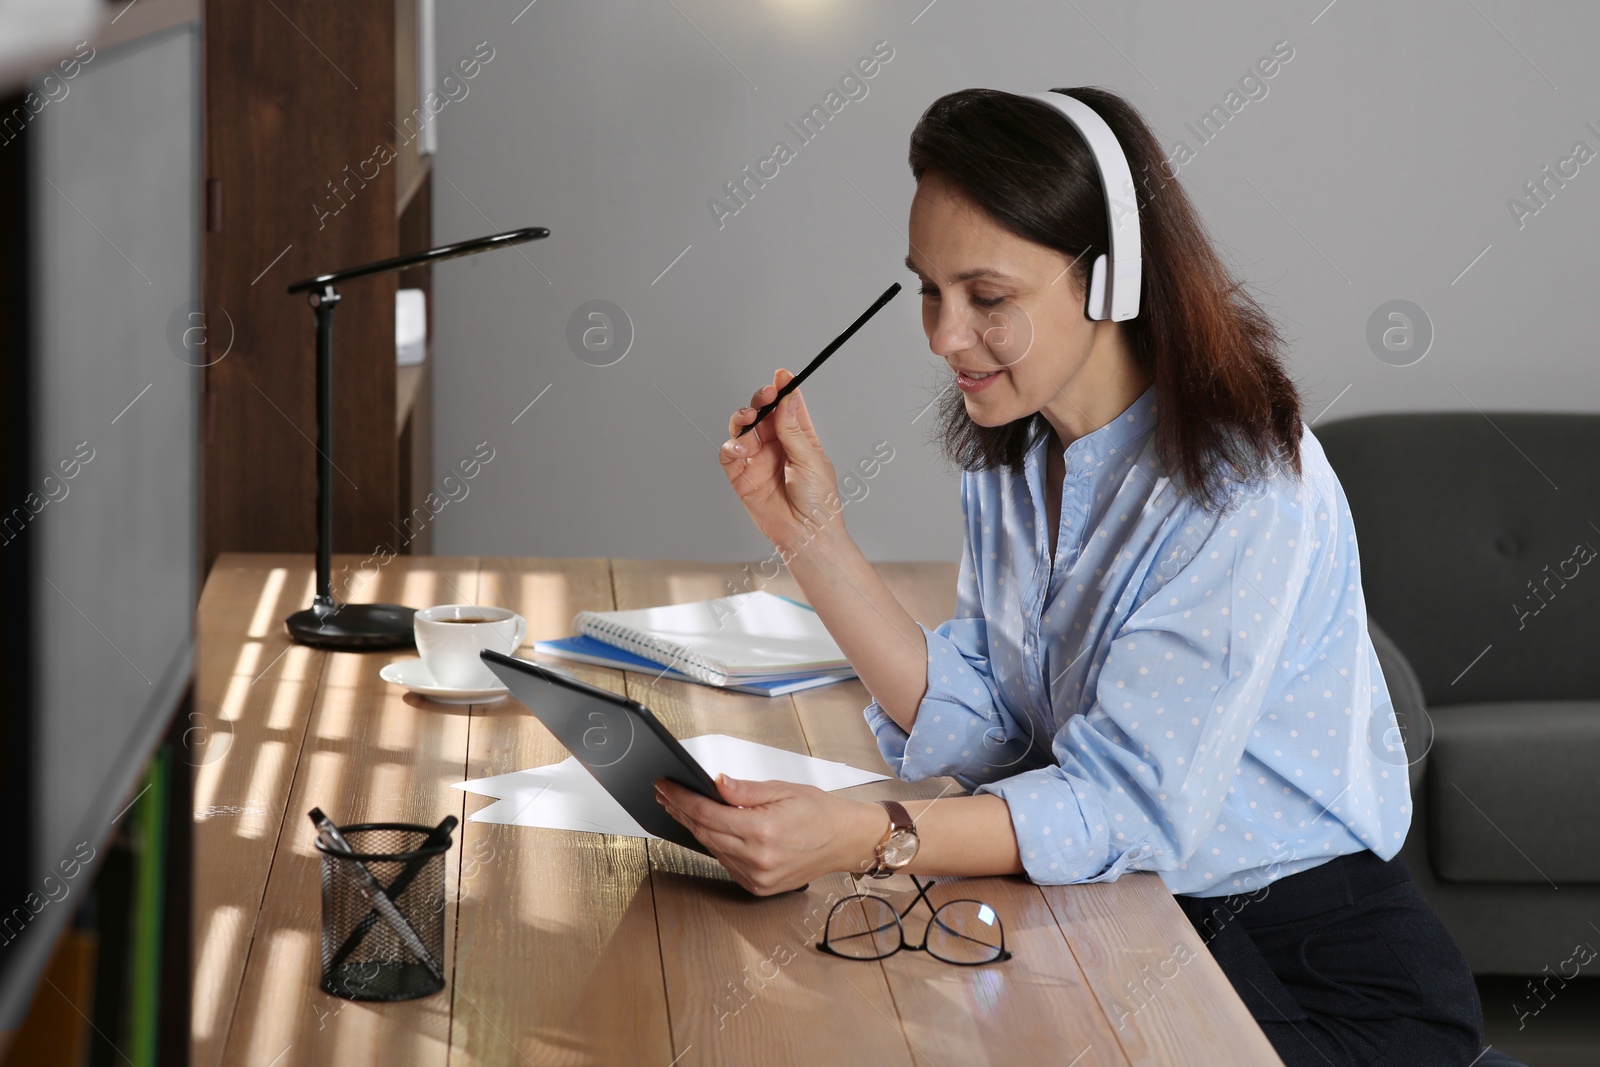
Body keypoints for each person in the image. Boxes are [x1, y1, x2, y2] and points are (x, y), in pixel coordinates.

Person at [656, 86, 1488, 1066]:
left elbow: (1116, 805)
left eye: (987, 298)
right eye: (927, 288)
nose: (941, 334)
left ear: (1112, 278)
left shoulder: (1239, 491)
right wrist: (813, 539)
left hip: (1310, 965)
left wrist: (865, 836)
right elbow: (996, 732)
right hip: (1129, 913)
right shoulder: (1017, 455)